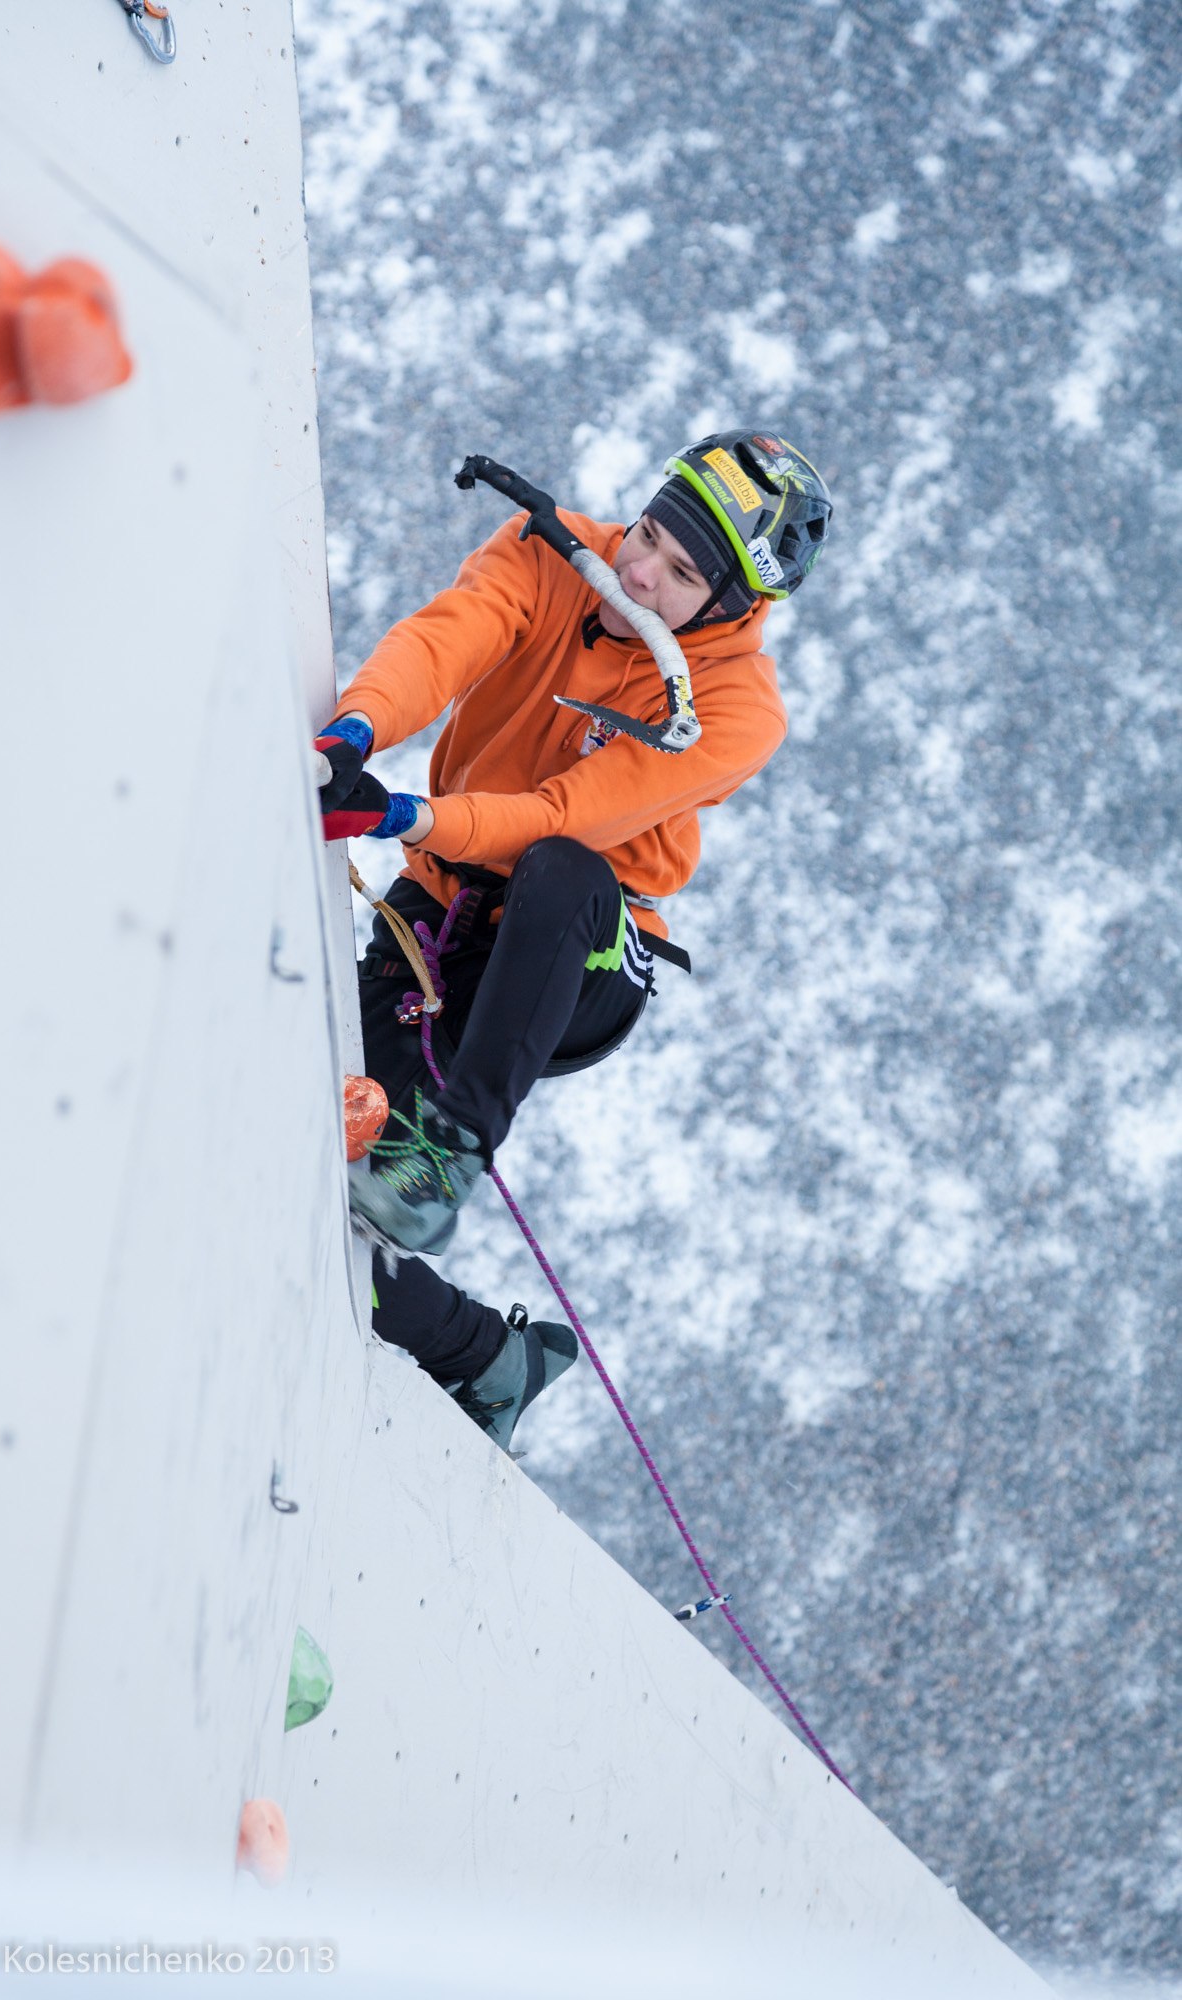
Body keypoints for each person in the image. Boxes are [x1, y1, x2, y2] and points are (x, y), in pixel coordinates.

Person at [315, 431, 832, 1450]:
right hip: (445, 913)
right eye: (646, 532)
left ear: (730, 605)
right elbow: (448, 637)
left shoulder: (733, 707)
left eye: (681, 574)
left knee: (560, 870)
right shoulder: (549, 550)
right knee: (316, 1182)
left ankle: (451, 1151)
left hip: (583, 952)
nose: (637, 570)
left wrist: (403, 817)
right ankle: (487, 1357)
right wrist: (358, 733)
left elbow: (568, 812)